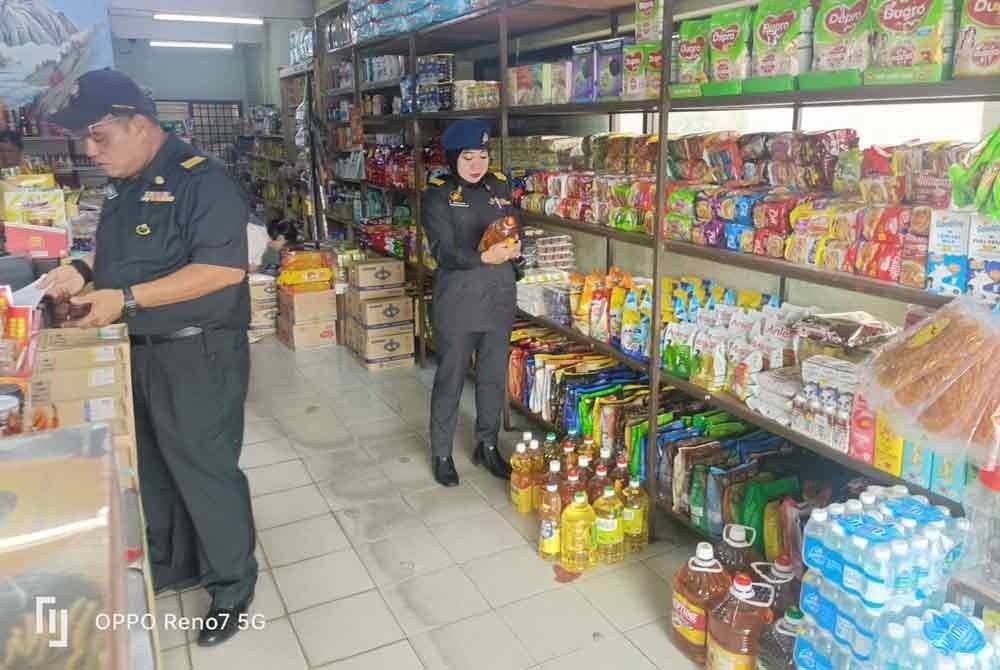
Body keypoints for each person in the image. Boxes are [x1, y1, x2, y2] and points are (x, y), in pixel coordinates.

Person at [40, 69, 256, 647]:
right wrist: (82, 270)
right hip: (137, 347)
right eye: (85, 140)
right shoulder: (124, 184)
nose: (91, 151)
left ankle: (232, 583)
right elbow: (122, 253)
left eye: (98, 136)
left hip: (197, 353)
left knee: (205, 468)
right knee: (153, 464)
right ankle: (174, 561)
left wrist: (125, 299)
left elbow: (221, 271)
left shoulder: (203, 181)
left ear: (138, 124)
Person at [422, 119, 521, 487]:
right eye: (468, 158)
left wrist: (516, 250)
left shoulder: (499, 185)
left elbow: (514, 227)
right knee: (450, 378)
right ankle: (442, 453)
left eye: (482, 156)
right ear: (453, 159)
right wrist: (484, 257)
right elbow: (443, 251)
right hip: (459, 301)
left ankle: (487, 444)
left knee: (493, 378)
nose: (477, 165)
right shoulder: (438, 195)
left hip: (498, 297)